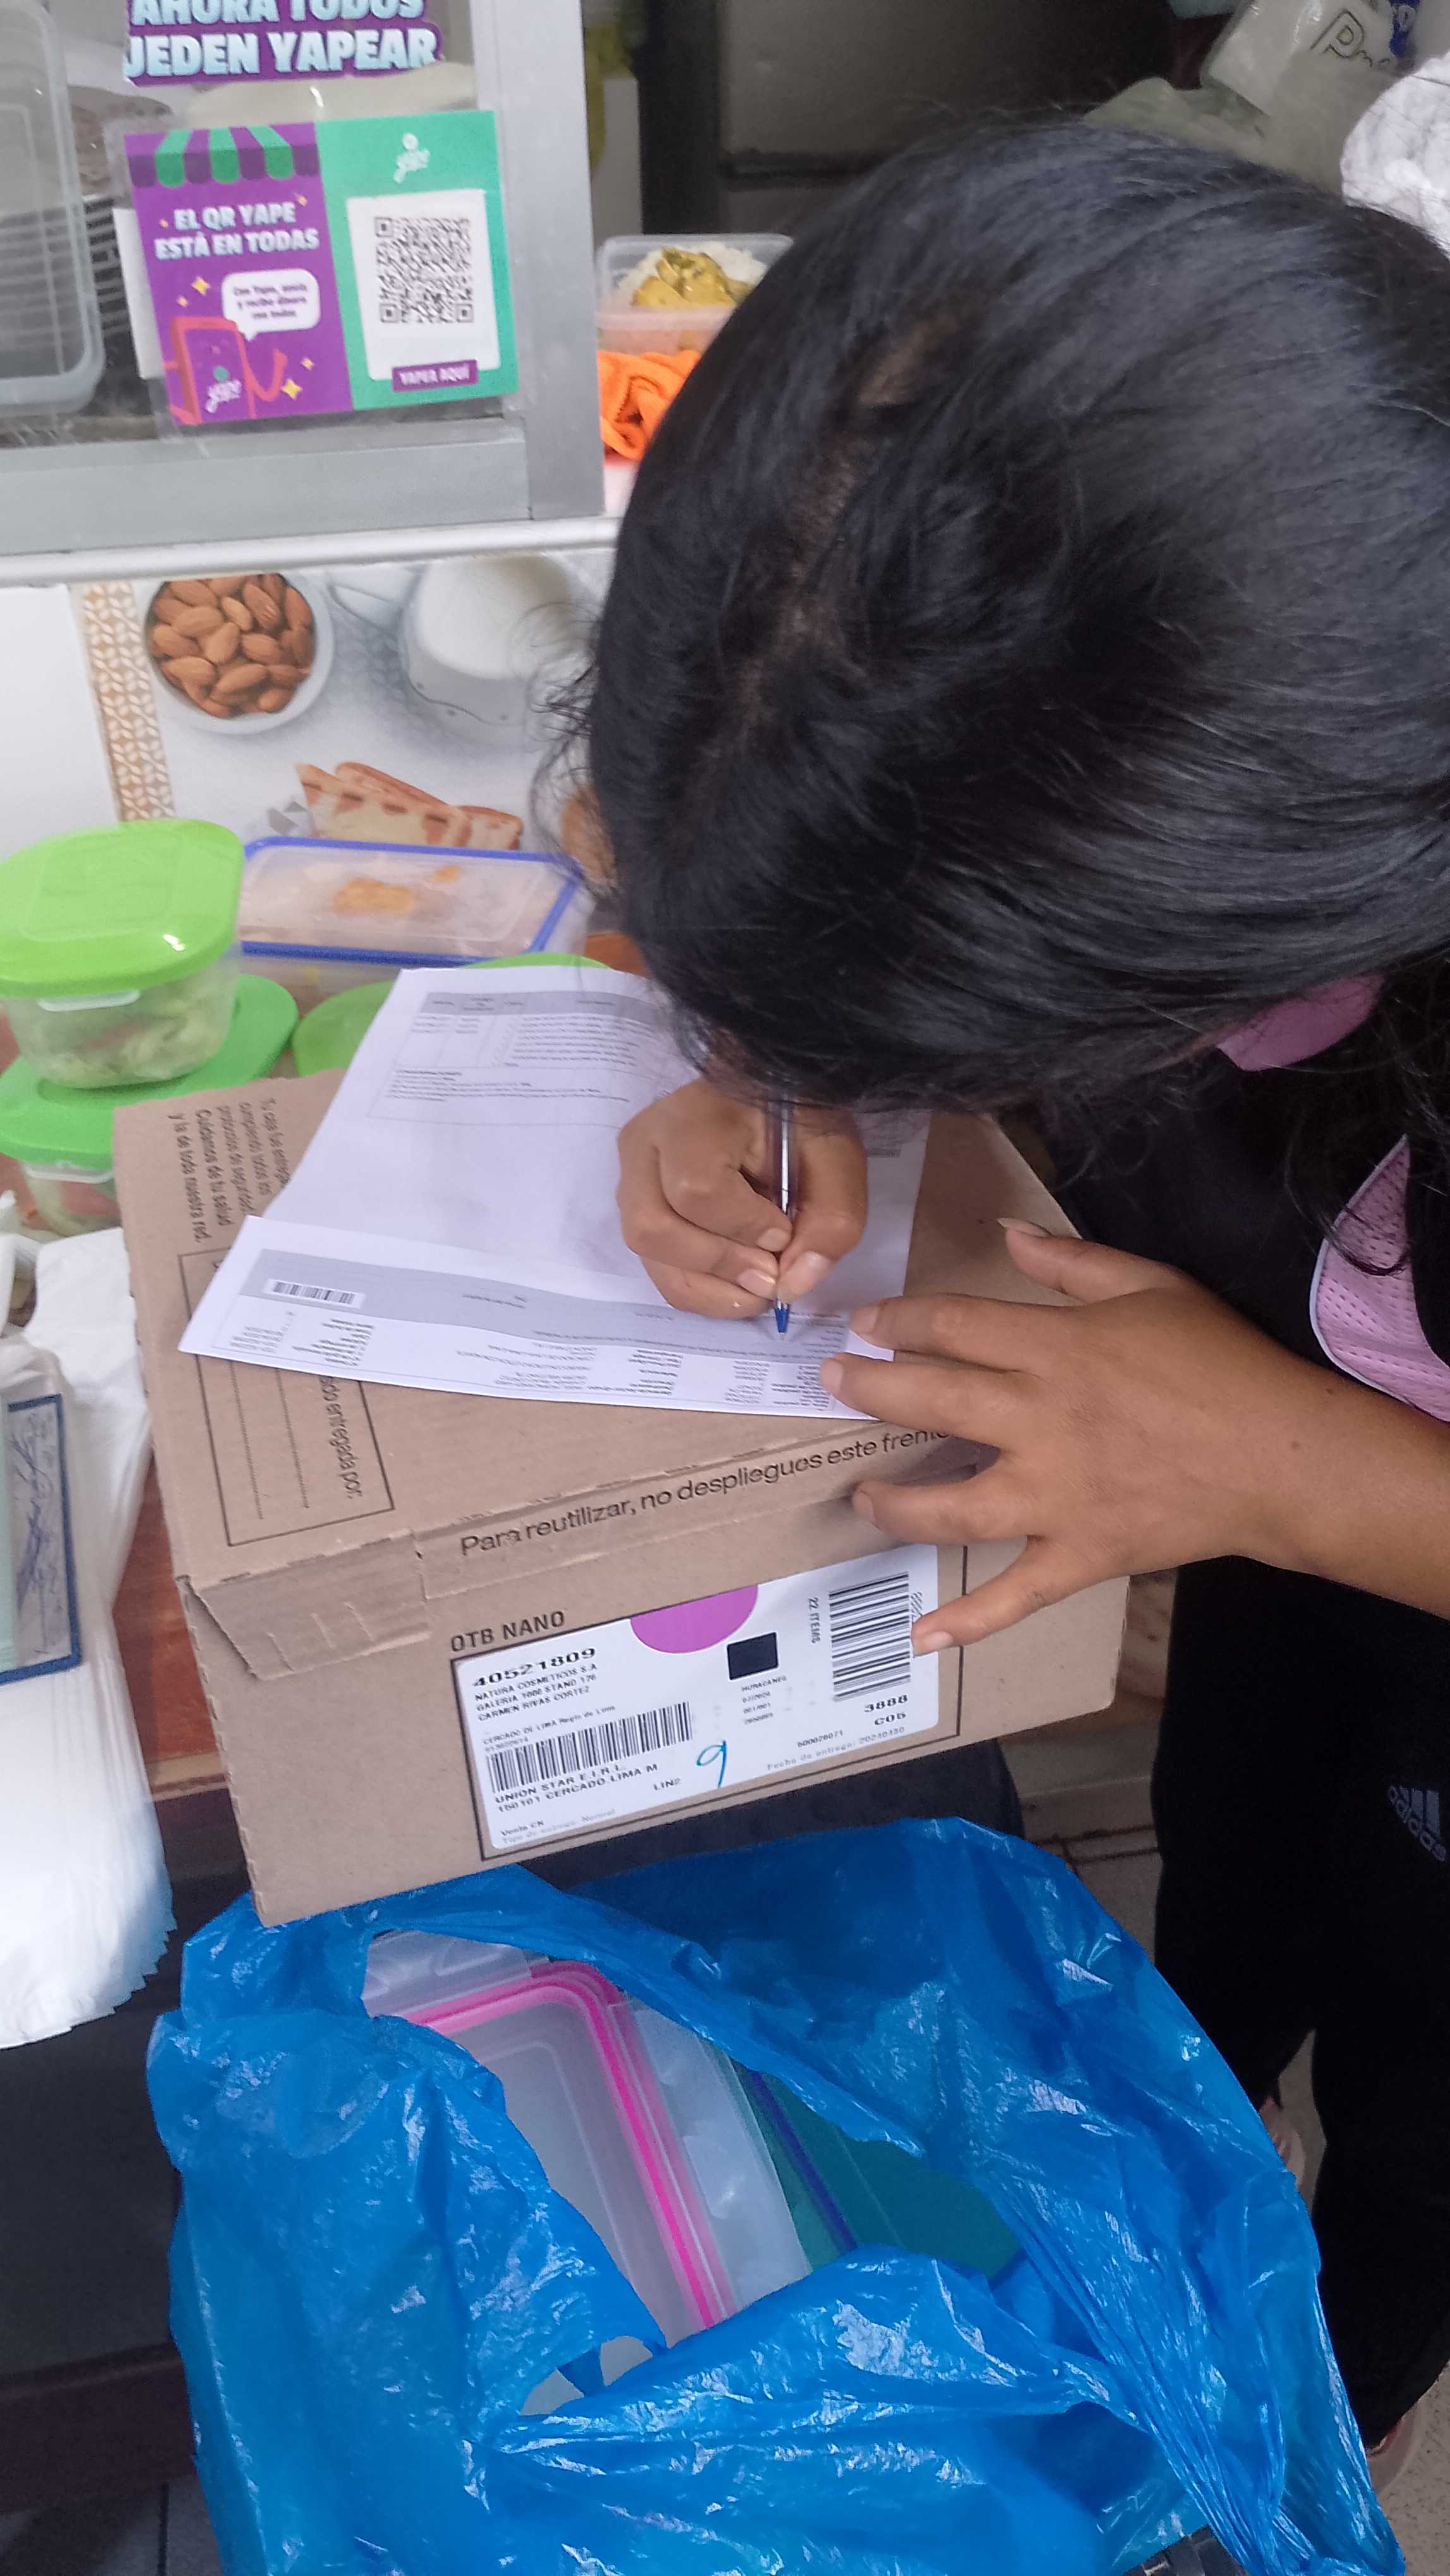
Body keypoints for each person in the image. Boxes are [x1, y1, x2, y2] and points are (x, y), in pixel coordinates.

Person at [583, 123, 1450, 2489]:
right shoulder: (1210, 548)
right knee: (1230, 1862)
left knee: (1420, 2068)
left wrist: (1287, 1467)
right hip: (1261, 1501)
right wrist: (771, 1050)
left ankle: (1304, 2415)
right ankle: (1163, 2170)